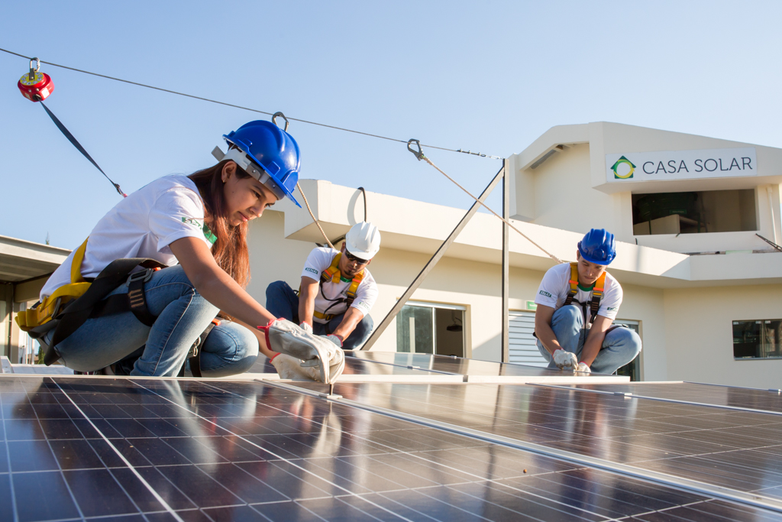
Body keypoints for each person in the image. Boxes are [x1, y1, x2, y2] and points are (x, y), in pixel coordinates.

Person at [37, 119, 300, 377]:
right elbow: (204, 279)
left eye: (268, 204)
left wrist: (284, 354)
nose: (258, 212)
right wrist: (278, 327)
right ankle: (151, 391)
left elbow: (219, 297)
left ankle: (121, 370)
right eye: (256, 194)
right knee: (199, 283)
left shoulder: (211, 227)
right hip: (73, 330)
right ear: (229, 171)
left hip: (120, 330)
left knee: (240, 347)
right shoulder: (177, 196)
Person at [534, 228, 642, 375]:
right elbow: (540, 324)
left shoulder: (612, 289)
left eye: (598, 267)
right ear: (578, 255)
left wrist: (585, 363)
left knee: (631, 340)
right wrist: (558, 352)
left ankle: (587, 375)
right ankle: (561, 371)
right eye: (585, 264)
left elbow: (598, 333)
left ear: (607, 265)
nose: (590, 273)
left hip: (591, 344)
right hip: (554, 344)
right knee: (570, 312)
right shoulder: (556, 275)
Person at [265, 222, 380, 351]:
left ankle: (336, 353)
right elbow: (307, 293)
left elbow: (353, 317)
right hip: (300, 318)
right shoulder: (321, 256)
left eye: (361, 260)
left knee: (365, 323)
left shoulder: (369, 287)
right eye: (351, 256)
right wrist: (305, 328)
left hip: (330, 329)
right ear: (343, 248)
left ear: (369, 261)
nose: (353, 264)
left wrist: (337, 338)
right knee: (277, 288)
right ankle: (283, 341)